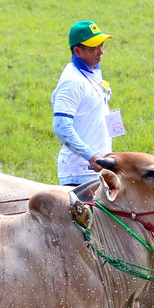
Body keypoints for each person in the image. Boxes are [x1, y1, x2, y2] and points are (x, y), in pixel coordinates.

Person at [51, 20, 119, 187]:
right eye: (94, 48)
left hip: (96, 169)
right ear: (77, 51)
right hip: (81, 174)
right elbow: (61, 126)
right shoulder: (72, 82)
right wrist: (92, 157)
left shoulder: (91, 72)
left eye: (102, 45)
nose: (101, 52)